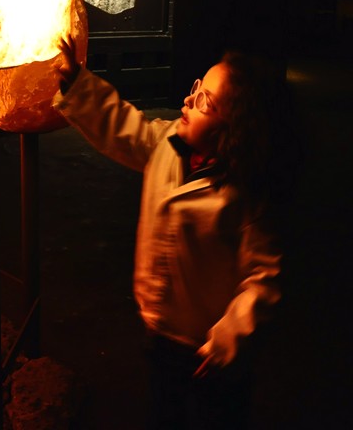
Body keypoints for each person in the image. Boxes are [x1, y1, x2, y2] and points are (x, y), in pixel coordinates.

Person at [52, 36, 298, 429]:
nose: (188, 101)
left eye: (205, 103)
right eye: (196, 88)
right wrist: (78, 84)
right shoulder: (168, 145)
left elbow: (264, 279)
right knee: (164, 412)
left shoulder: (244, 198)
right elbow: (124, 127)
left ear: (235, 128)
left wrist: (229, 339)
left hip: (210, 351)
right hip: (161, 331)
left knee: (217, 417)